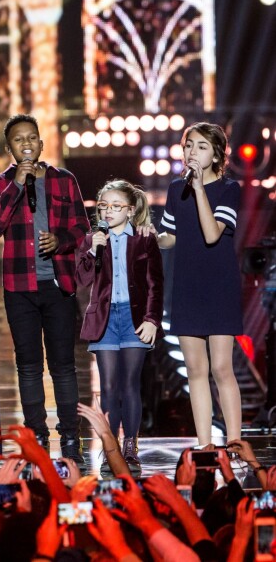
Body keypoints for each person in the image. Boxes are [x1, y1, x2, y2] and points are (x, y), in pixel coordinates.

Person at [0, 114, 89, 465]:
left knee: (63, 365)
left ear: (42, 144)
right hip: (20, 288)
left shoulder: (64, 180)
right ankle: (36, 436)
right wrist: (16, 184)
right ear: (8, 148)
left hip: (58, 286)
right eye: (18, 140)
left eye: (32, 138)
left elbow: (82, 230)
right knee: (28, 365)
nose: (26, 144)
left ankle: (70, 437)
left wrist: (60, 241)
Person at [155, 122, 242, 446]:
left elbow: (211, 233)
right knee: (196, 371)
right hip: (188, 286)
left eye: (201, 146)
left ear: (217, 154)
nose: (192, 151)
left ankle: (235, 443)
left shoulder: (228, 189)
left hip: (219, 286)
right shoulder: (177, 189)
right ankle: (204, 444)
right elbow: (171, 238)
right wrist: (149, 236)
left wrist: (200, 189)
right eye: (189, 144)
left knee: (221, 368)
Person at [75, 179, 164, 470]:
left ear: (130, 209)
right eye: (103, 206)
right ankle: (110, 444)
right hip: (105, 318)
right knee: (109, 385)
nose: (108, 212)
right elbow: (82, 280)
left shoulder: (143, 237)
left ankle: (130, 447)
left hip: (134, 317)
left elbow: (155, 283)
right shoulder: (92, 239)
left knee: (130, 383)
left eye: (115, 206)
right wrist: (91, 251)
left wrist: (152, 319)